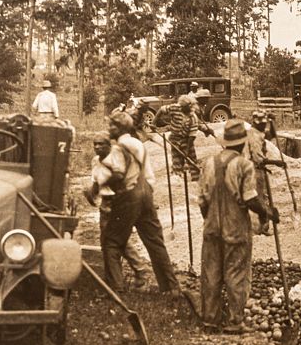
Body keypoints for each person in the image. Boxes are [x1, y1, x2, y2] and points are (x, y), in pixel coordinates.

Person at [197, 119, 278, 334]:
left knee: (211, 273)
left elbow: (202, 201)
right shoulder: (244, 165)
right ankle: (234, 321)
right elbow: (251, 198)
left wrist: (210, 219)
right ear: (243, 143)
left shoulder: (209, 163)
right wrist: (267, 212)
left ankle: (210, 320)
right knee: (236, 273)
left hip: (212, 226)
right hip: (236, 228)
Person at [101, 111, 181, 295]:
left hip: (130, 195)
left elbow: (119, 174)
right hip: (146, 192)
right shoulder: (138, 143)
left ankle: (116, 290)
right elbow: (148, 173)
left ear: (119, 127)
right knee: (155, 242)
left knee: (111, 240)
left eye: (111, 125)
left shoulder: (119, 147)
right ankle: (170, 287)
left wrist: (98, 187)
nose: (108, 129)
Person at [84, 132, 150, 290]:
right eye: (95, 144)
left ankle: (137, 274)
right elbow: (96, 180)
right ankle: (117, 280)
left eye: (101, 144)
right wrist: (92, 193)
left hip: (118, 204)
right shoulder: (95, 161)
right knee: (107, 242)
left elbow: (121, 179)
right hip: (105, 204)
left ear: (109, 145)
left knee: (116, 241)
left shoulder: (116, 160)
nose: (97, 147)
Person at [160, 94, 215, 179]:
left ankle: (196, 178)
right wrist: (153, 123)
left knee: (192, 160)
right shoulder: (175, 108)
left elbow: (192, 134)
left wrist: (187, 149)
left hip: (187, 139)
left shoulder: (193, 114)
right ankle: (178, 177)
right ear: (182, 107)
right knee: (177, 160)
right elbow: (161, 109)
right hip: (174, 138)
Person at [248, 110, 275, 235]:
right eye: (262, 124)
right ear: (256, 123)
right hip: (254, 169)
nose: (264, 126)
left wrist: (272, 121)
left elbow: (271, 135)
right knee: (259, 198)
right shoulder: (253, 135)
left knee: (263, 197)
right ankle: (259, 228)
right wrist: (276, 162)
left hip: (259, 168)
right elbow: (258, 158)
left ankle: (263, 226)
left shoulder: (259, 132)